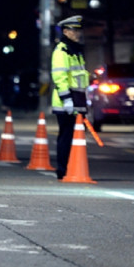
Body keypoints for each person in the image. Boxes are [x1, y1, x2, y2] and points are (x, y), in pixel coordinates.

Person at [51, 15, 89, 180]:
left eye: (78, 30)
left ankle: (71, 167)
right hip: (66, 100)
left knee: (76, 136)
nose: (77, 33)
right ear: (65, 31)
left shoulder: (75, 50)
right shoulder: (62, 51)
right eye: (74, 30)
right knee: (66, 136)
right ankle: (63, 169)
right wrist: (66, 99)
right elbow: (60, 77)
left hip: (78, 99)